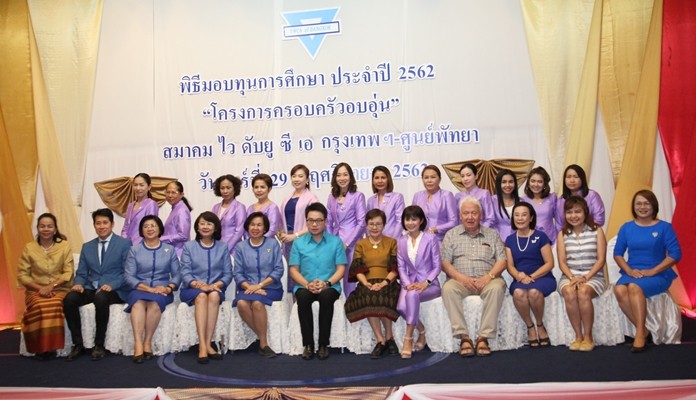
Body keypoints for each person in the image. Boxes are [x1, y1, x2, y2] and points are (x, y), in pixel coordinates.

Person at [613, 189, 681, 353]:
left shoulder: (665, 227)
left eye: (646, 203)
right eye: (638, 204)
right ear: (633, 207)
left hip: (658, 274)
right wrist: (628, 270)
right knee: (620, 289)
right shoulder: (627, 227)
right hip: (633, 272)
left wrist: (653, 271)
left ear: (653, 206)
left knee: (635, 288)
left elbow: (675, 254)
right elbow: (618, 254)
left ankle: (639, 335)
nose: (642, 207)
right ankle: (642, 329)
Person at [441, 197, 507, 357]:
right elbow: (445, 263)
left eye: (474, 213)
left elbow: (502, 260)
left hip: (488, 280)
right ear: (460, 216)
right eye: (466, 213)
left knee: (498, 288)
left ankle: (483, 337)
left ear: (481, 215)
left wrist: (489, 276)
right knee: (448, 288)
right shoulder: (451, 235)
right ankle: (464, 337)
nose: (470, 217)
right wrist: (461, 278)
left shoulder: (492, 234)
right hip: (460, 281)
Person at [63, 208, 132, 361]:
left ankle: (99, 345)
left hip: (116, 289)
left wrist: (112, 285)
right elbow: (81, 273)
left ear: (112, 224)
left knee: (101, 298)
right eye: (98, 223)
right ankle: (78, 344)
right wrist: (79, 284)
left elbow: (127, 272)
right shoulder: (87, 247)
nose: (101, 226)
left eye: (105, 223)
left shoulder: (124, 244)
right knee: (70, 299)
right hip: (91, 287)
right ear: (94, 225)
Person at [288, 202, 347, 360]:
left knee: (326, 297)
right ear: (306, 221)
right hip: (305, 285)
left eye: (318, 220)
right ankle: (308, 345)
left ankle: (323, 344)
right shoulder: (298, 243)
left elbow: (341, 268)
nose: (314, 224)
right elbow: (293, 270)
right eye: (310, 220)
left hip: (329, 285)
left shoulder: (335, 242)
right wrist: (307, 284)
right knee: (303, 298)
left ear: (326, 222)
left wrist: (326, 283)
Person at [344, 209, 400, 359]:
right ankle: (380, 340)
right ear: (366, 225)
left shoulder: (392, 242)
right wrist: (367, 284)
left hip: (388, 282)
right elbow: (357, 268)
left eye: (378, 224)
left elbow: (395, 268)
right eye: (371, 224)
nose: (375, 227)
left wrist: (384, 282)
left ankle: (390, 337)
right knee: (369, 296)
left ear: (384, 225)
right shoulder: (361, 244)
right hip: (366, 283)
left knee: (383, 296)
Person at [124, 215, 181, 363]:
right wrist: (148, 289)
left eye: (153, 225)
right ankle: (138, 343)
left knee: (154, 304)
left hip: (162, 290)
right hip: (139, 289)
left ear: (159, 229)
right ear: (141, 230)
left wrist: (168, 288)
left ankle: (147, 341)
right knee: (138, 304)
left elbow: (177, 275)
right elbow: (129, 277)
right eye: (146, 226)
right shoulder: (134, 250)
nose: (149, 229)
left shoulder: (170, 250)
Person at [18, 213, 74, 360]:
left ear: (55, 229)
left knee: (54, 304)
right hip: (35, 290)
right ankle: (39, 347)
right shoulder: (29, 248)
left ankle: (51, 347)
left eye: (50, 226)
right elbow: (23, 275)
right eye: (42, 226)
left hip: (59, 289)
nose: (46, 229)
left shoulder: (64, 246)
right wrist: (40, 289)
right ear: (37, 228)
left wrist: (51, 286)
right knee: (38, 305)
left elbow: (68, 272)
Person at [180, 212, 232, 363]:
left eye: (209, 224)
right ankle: (202, 345)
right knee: (202, 296)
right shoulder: (189, 246)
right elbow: (185, 272)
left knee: (214, 295)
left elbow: (228, 274)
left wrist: (216, 285)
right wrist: (197, 284)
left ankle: (208, 343)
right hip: (192, 289)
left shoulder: (222, 247)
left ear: (215, 228)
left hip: (215, 288)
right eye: (202, 223)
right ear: (197, 226)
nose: (205, 226)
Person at [557, 196, 607, 352]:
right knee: (569, 291)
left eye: (577, 211)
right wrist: (572, 278)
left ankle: (588, 337)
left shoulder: (596, 230)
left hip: (593, 276)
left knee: (584, 291)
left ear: (585, 212)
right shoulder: (563, 234)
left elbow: (601, 260)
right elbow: (562, 262)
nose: (574, 215)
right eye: (569, 212)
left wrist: (586, 278)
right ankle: (578, 336)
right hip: (569, 276)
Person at [233, 212, 284, 359]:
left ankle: (262, 343)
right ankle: (263, 339)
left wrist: (260, 285)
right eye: (252, 224)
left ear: (265, 227)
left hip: (270, 288)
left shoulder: (273, 244)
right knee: (242, 303)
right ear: (247, 226)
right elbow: (238, 273)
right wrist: (249, 286)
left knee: (256, 303)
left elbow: (278, 269)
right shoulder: (241, 247)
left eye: (259, 224)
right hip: (248, 288)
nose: (255, 228)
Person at [505, 202, 556, 348]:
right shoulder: (510, 239)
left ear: (531, 217)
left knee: (534, 292)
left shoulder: (541, 236)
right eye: (517, 215)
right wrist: (519, 276)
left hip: (542, 277)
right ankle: (530, 327)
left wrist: (532, 276)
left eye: (524, 215)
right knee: (519, 293)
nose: (520, 218)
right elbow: (509, 265)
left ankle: (540, 325)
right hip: (520, 278)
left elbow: (549, 263)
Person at [396, 205, 441, 359]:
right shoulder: (401, 241)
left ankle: (408, 338)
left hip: (429, 284)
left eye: (414, 219)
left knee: (411, 296)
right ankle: (422, 330)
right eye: (407, 219)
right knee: (401, 308)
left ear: (421, 221)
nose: (410, 222)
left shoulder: (431, 238)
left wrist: (425, 282)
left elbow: (437, 266)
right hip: (409, 283)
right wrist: (407, 283)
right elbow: (401, 266)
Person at [326, 162, 366, 296]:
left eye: (345, 174)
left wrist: (347, 243)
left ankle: (351, 309)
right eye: (339, 175)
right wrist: (332, 241)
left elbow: (361, 223)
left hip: (352, 243)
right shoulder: (331, 197)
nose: (342, 178)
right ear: (334, 178)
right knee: (334, 275)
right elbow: (328, 221)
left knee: (350, 278)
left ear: (350, 177)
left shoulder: (358, 196)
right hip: (335, 242)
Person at [279, 164, 319, 292]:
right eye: (294, 176)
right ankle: (294, 310)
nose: (296, 179)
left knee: (304, 277)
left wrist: (294, 235)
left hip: (304, 242)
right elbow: (281, 221)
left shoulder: (312, 199)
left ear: (307, 180)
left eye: (300, 176)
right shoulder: (286, 199)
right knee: (291, 278)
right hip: (288, 243)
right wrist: (281, 233)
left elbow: (315, 223)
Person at [411, 165, 458, 243]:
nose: (429, 180)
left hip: (441, 240)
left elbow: (453, 222)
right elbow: (412, 218)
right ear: (422, 179)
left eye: (433, 177)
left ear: (439, 179)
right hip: (420, 241)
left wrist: (436, 229)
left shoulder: (447, 195)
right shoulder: (417, 196)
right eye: (426, 177)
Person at [521, 166, 560, 244]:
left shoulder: (552, 198)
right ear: (528, 183)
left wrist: (560, 238)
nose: (536, 184)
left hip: (551, 240)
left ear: (545, 184)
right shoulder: (523, 200)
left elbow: (559, 221)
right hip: (530, 241)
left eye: (539, 181)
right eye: (533, 181)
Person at [211, 174, 247, 255]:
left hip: (233, 250)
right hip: (216, 249)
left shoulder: (240, 207)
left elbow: (239, 231)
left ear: (235, 188)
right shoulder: (215, 207)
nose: (225, 191)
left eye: (228, 188)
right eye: (222, 188)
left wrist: (225, 249)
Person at [366, 166, 405, 239]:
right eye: (377, 178)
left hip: (393, 240)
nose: (380, 181)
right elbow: (368, 224)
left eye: (383, 178)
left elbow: (400, 221)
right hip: (375, 242)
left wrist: (392, 241)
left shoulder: (397, 197)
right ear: (373, 181)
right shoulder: (370, 200)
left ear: (388, 179)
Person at [121, 172, 159, 245]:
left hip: (143, 246)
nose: (138, 188)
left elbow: (150, 228)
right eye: (135, 185)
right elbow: (125, 228)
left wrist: (136, 246)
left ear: (149, 187)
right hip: (128, 246)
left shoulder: (151, 204)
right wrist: (124, 243)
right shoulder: (130, 205)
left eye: (141, 185)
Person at [454, 163, 495, 227]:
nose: (465, 179)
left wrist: (478, 232)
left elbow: (490, 219)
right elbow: (457, 219)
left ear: (476, 176)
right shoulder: (458, 196)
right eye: (462, 176)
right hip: (463, 234)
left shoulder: (484, 194)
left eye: (468, 175)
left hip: (481, 233)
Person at [161, 181, 192, 258]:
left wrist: (161, 239)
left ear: (181, 194)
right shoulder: (176, 208)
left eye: (173, 192)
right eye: (168, 192)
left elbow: (183, 235)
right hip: (173, 253)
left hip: (179, 254)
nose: (170, 195)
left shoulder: (181, 210)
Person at [246, 173, 282, 238]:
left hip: (267, 244)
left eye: (262, 187)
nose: (259, 190)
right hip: (249, 245)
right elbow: (246, 228)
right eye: (256, 187)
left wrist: (258, 241)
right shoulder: (250, 208)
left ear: (269, 189)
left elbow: (272, 230)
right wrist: (249, 242)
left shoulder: (273, 207)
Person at [491, 169, 520, 242]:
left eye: (510, 182)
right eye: (504, 182)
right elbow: (489, 224)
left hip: (519, 242)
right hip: (497, 242)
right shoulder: (491, 201)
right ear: (498, 184)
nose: (507, 185)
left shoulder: (521, 202)